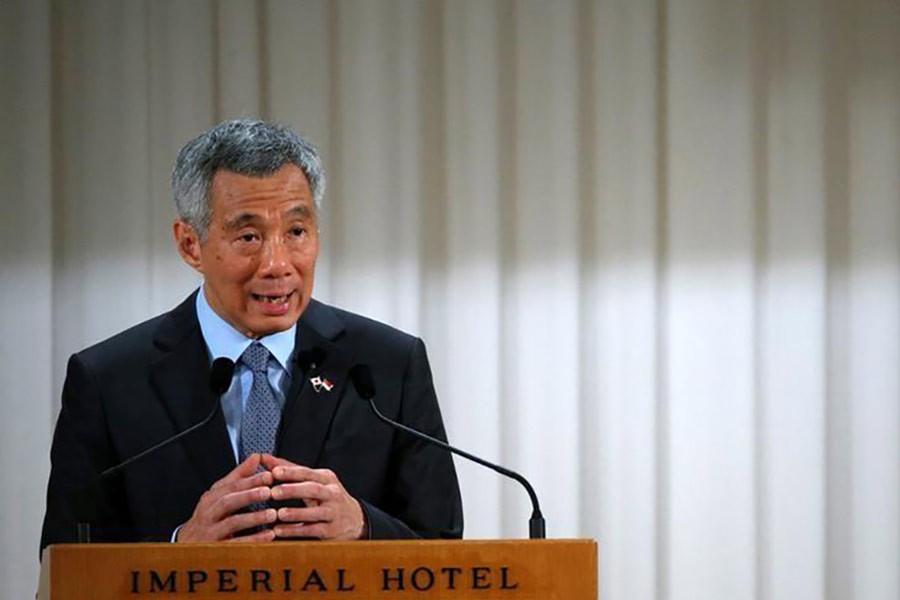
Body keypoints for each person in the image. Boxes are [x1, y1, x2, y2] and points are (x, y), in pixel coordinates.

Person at [40, 119, 462, 551]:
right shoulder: (109, 381)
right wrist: (178, 546)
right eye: (248, 236)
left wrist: (364, 526)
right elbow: (66, 562)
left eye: (296, 232)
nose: (277, 264)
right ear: (190, 245)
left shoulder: (386, 366)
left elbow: (444, 545)